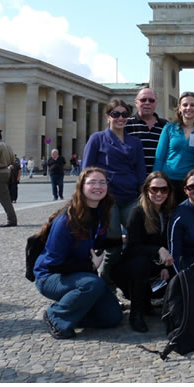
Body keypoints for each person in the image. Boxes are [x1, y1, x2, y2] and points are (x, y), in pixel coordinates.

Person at [33, 167, 123, 339]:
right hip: (50, 276)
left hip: (78, 273)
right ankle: (55, 316)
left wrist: (122, 240)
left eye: (102, 182)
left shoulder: (100, 211)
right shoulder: (65, 220)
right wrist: (90, 265)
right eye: (92, 182)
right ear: (81, 187)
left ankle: (73, 313)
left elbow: (95, 241)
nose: (98, 186)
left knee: (112, 317)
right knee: (92, 284)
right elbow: (53, 264)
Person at [82, 98, 146, 290]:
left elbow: (140, 172)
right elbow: (86, 170)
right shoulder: (97, 139)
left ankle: (130, 285)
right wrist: (86, 198)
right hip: (108, 200)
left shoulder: (135, 142)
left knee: (137, 241)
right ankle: (107, 286)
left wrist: (143, 197)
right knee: (113, 247)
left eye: (124, 114)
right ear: (107, 116)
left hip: (131, 197)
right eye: (115, 114)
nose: (120, 118)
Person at [112, 171, 175, 332]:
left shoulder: (168, 213)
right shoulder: (138, 212)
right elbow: (133, 247)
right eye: (154, 189)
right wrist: (158, 250)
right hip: (130, 268)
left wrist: (165, 267)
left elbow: (169, 243)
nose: (159, 193)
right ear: (146, 190)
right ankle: (136, 313)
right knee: (140, 263)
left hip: (154, 265)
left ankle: (148, 303)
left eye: (164, 189)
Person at [154, 91, 194, 204]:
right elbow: (159, 157)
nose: (188, 108)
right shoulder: (169, 128)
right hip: (168, 181)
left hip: (192, 184)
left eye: (192, 105)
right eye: (185, 105)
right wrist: (155, 180)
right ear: (180, 108)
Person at [168, 169, 194, 272]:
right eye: (192, 187)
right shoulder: (178, 215)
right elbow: (175, 255)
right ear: (185, 190)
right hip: (190, 271)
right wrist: (185, 278)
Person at [126, 87, 168, 175]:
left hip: (158, 179)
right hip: (133, 177)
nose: (147, 103)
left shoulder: (166, 126)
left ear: (156, 103)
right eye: (143, 100)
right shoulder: (126, 124)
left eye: (151, 100)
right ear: (136, 102)